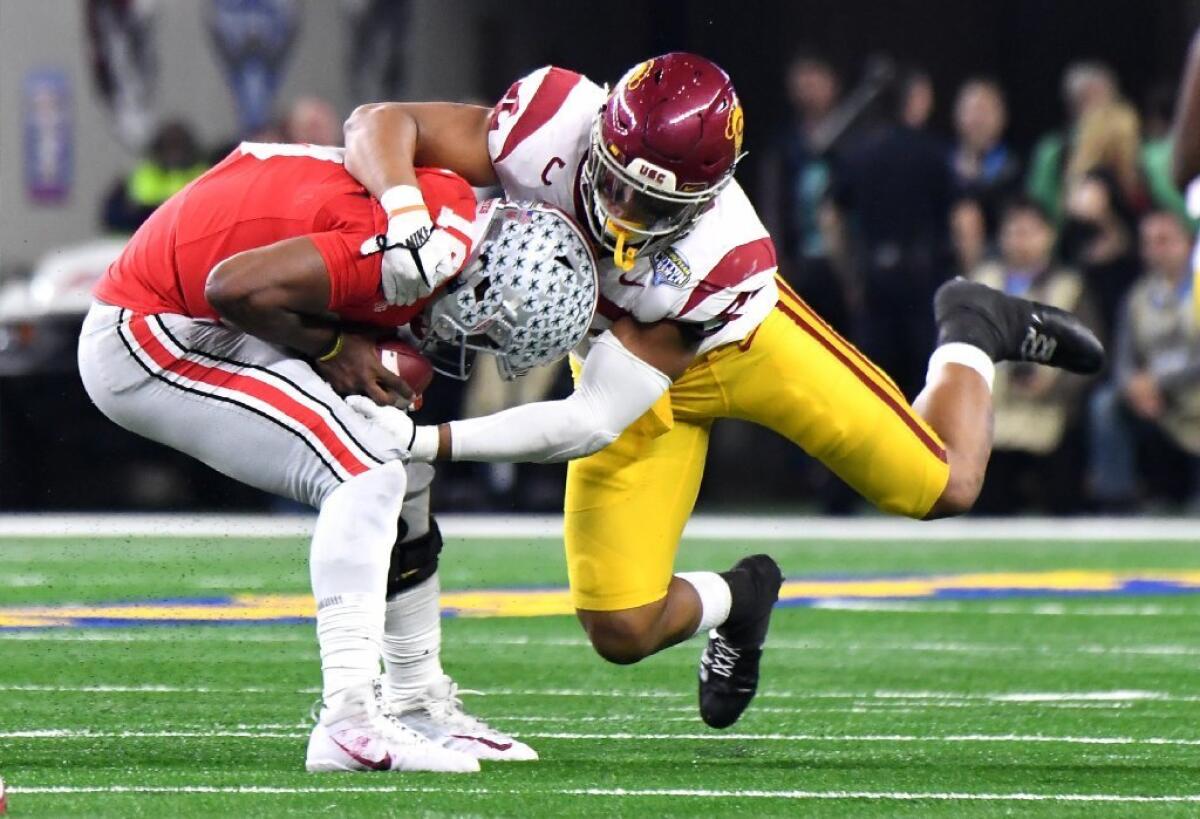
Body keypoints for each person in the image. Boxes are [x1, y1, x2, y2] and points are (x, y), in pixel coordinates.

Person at [341, 52, 1104, 731]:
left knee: (945, 483)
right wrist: (406, 215)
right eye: (620, 184)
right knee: (620, 626)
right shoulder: (547, 124)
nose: (624, 215)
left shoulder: (721, 256)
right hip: (618, 361)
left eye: (655, 208)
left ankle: (971, 324)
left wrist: (431, 442)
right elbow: (382, 122)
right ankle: (743, 597)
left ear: (707, 198)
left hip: (735, 348)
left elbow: (591, 418)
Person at [78, 140, 598, 771]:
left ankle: (416, 702)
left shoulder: (448, 222)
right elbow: (232, 286)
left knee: (402, 466)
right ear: (481, 279)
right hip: (150, 325)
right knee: (366, 468)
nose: (475, 341)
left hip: (214, 306)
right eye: (489, 328)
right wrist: (332, 348)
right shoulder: (405, 253)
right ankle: (347, 720)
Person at [968, 198, 1095, 514]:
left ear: (1048, 236)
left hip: (1051, 407)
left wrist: (1055, 388)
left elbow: (1089, 352)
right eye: (1013, 232)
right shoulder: (982, 282)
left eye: (1029, 232)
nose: (1020, 241)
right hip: (990, 411)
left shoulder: (1071, 287)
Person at [1088, 210, 1200, 510]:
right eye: (1149, 243)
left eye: (1165, 241)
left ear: (1188, 244)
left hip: (1191, 391)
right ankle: (1116, 500)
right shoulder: (1137, 295)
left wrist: (1158, 381)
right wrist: (1131, 387)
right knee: (1106, 404)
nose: (1156, 251)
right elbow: (1123, 357)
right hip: (1155, 399)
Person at [1027, 61, 1119, 222]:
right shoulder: (1053, 150)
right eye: (1086, 99)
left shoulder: (1129, 146)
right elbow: (1038, 207)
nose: (1096, 108)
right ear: (1072, 105)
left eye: (1101, 98)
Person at [950, 79, 1022, 237]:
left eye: (985, 110)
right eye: (972, 110)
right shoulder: (941, 163)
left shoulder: (1015, 166)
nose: (978, 119)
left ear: (1002, 117)